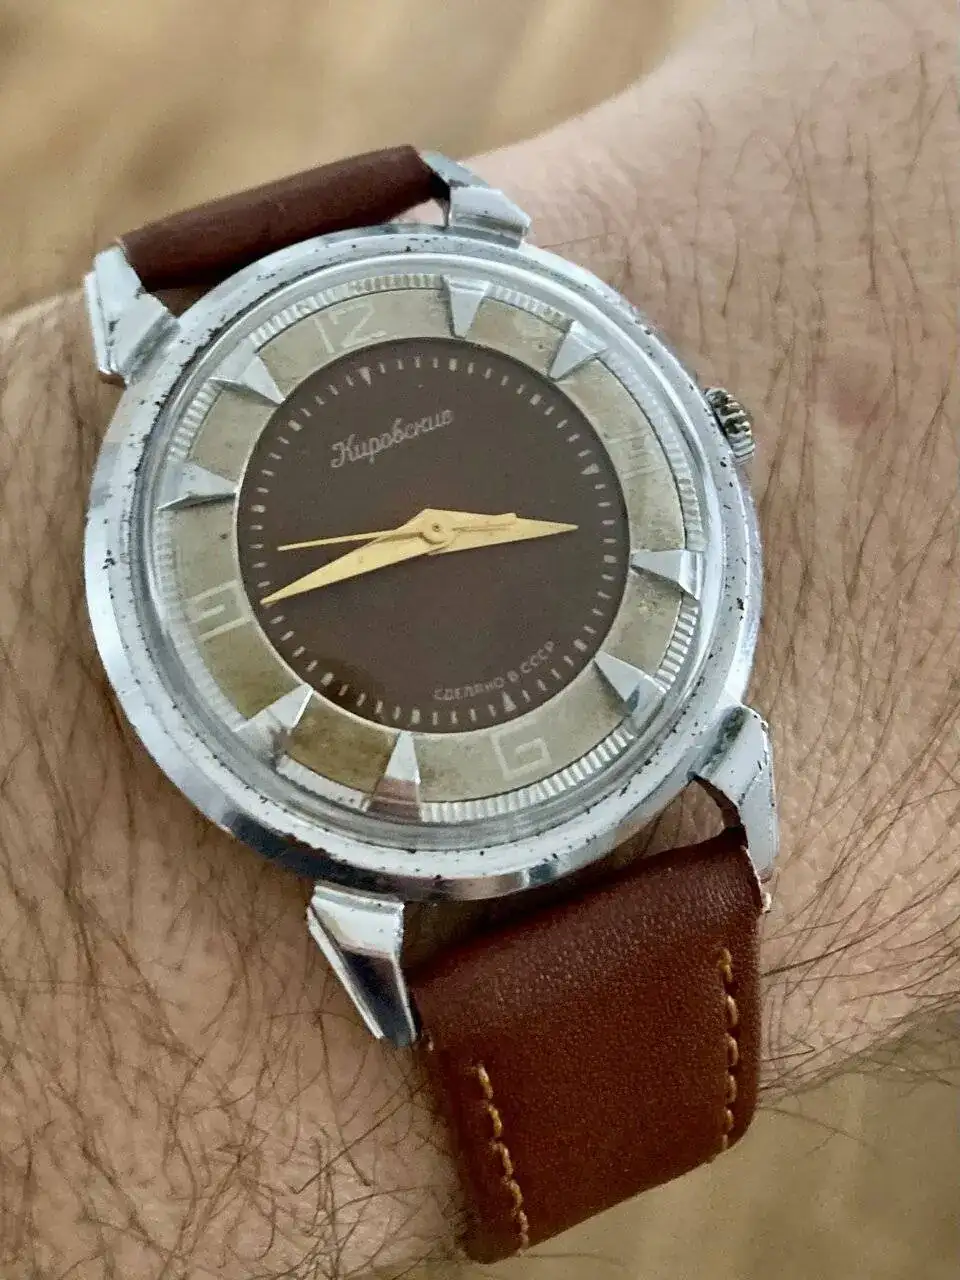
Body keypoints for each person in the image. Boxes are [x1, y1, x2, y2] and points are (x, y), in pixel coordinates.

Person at [0, 0, 955, 1273]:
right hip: (395, 849)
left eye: (438, 529)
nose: (432, 534)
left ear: (712, 430)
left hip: (641, 761)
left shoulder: (707, 758)